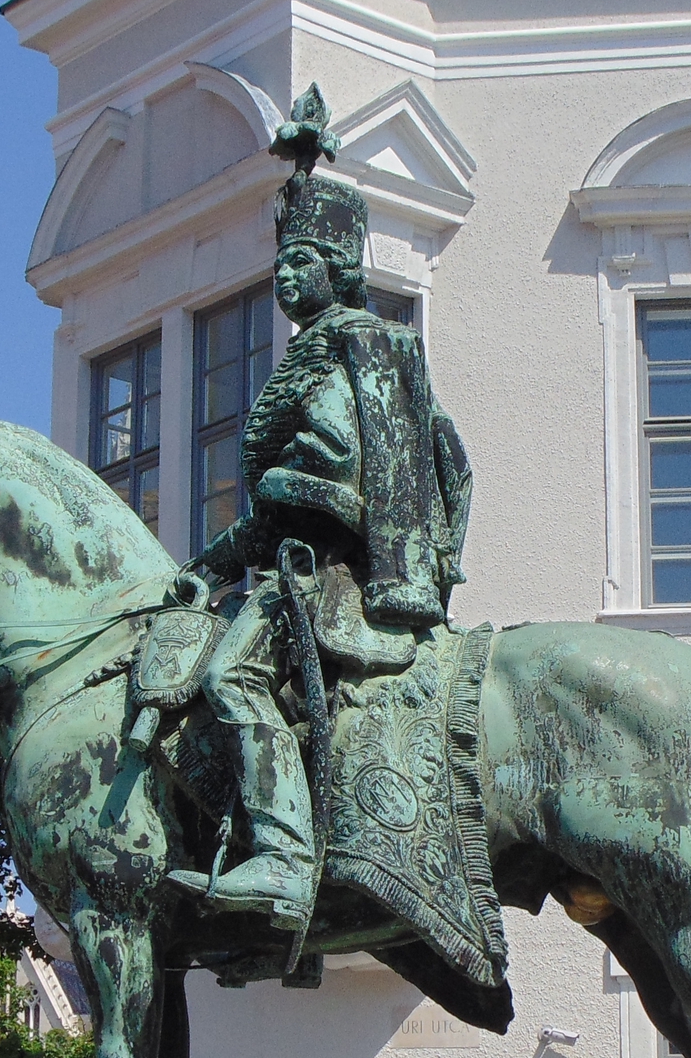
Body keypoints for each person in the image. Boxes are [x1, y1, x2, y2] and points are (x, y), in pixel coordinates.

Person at [170, 84, 473, 928]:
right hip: (293, 558)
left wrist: (278, 495)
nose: (282, 274)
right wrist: (208, 564)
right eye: (281, 259)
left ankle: (282, 854)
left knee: (232, 677)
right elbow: (275, 509)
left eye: (300, 260)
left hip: (331, 572)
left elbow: (347, 480)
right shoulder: (311, 357)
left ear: (338, 268)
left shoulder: (357, 345)